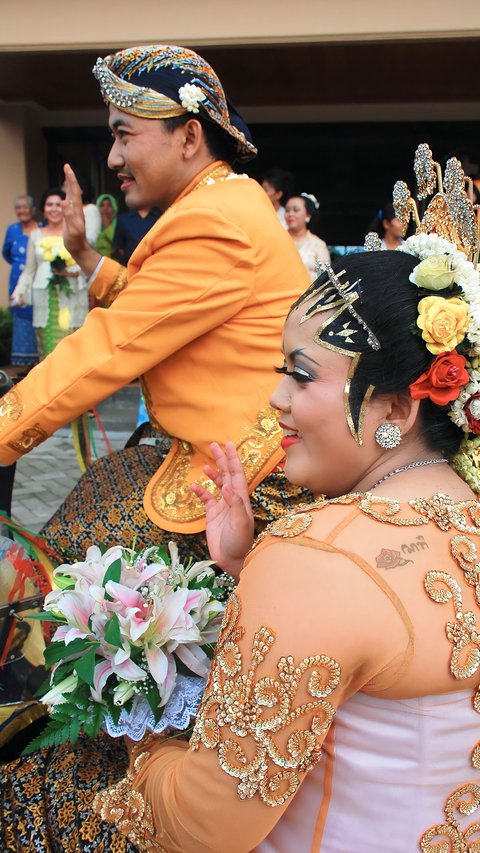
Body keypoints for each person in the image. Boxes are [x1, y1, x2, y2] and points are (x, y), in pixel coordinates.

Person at [91, 173, 480, 849]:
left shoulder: (313, 553)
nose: (274, 398)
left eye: (298, 373)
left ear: (395, 408)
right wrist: (246, 564)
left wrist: (144, 738)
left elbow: (205, 826)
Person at [0, 41, 310, 852]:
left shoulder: (213, 219)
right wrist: (91, 264)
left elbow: (102, 352)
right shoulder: (221, 204)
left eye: (123, 133)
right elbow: (155, 306)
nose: (110, 155)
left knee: (59, 567)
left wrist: (2, 435)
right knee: (74, 527)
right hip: (197, 452)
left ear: (188, 134)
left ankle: (81, 781)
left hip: (235, 477)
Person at [10, 189, 89, 359]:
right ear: (43, 209)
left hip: (71, 297)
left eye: (58, 205)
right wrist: (19, 292)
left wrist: (67, 272)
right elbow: (30, 270)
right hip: (45, 298)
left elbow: (85, 266)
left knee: (72, 348)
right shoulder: (35, 235)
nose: (54, 209)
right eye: (49, 204)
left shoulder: (76, 233)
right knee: (49, 348)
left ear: (65, 208)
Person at [1, 195, 38, 367]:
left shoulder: (42, 228)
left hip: (38, 281)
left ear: (33, 210)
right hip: (18, 282)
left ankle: (41, 361)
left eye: (25, 207)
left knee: (39, 317)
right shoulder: (12, 230)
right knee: (21, 319)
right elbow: (6, 253)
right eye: (18, 208)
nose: (22, 211)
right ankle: (23, 365)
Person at [285, 192, 330, 280]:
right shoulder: (276, 240)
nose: (290, 214)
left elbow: (324, 280)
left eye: (296, 210)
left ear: (308, 215)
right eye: (287, 210)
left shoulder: (319, 245)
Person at [95, 193, 119, 257]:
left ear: (114, 209)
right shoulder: (92, 227)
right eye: (102, 205)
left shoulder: (121, 225)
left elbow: (118, 244)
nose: (105, 208)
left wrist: (108, 227)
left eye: (109, 205)